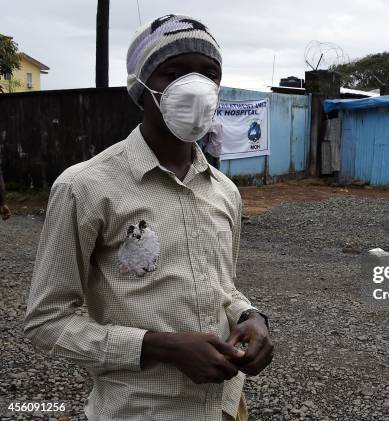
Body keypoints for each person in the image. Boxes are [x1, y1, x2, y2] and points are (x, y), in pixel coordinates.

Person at [24, 15, 273, 421]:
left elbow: (221, 285)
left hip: (225, 407)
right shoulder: (85, 186)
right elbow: (46, 321)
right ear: (142, 89)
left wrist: (250, 316)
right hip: (138, 410)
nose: (195, 87)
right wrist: (158, 346)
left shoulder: (224, 191)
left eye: (209, 73)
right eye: (174, 72)